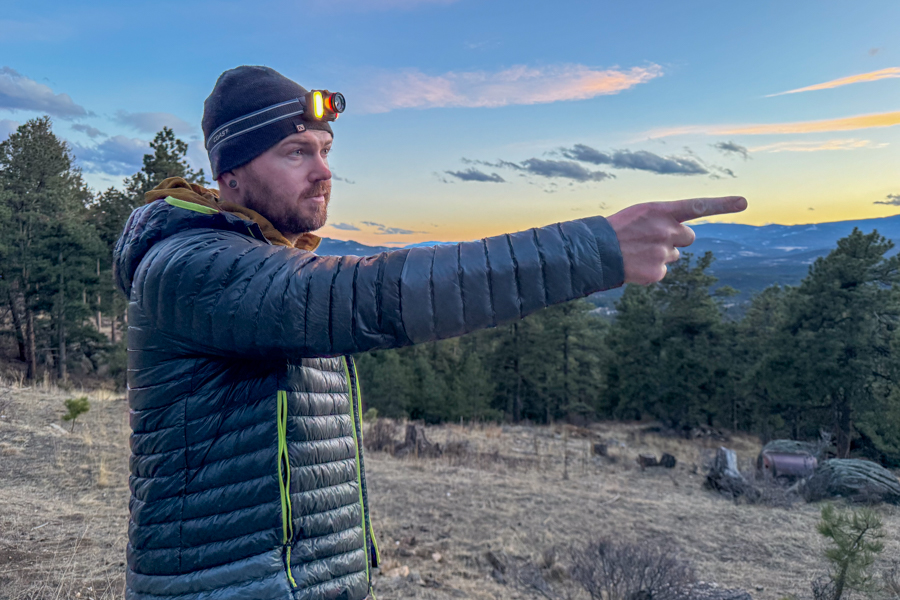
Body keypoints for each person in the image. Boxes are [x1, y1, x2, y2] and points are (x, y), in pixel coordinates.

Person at [113, 65, 746, 600]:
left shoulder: (264, 259)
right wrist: (595, 251)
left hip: (294, 580)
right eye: (295, 152)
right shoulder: (193, 268)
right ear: (231, 179)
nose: (323, 170)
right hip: (224, 584)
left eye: (326, 150)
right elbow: (367, 296)